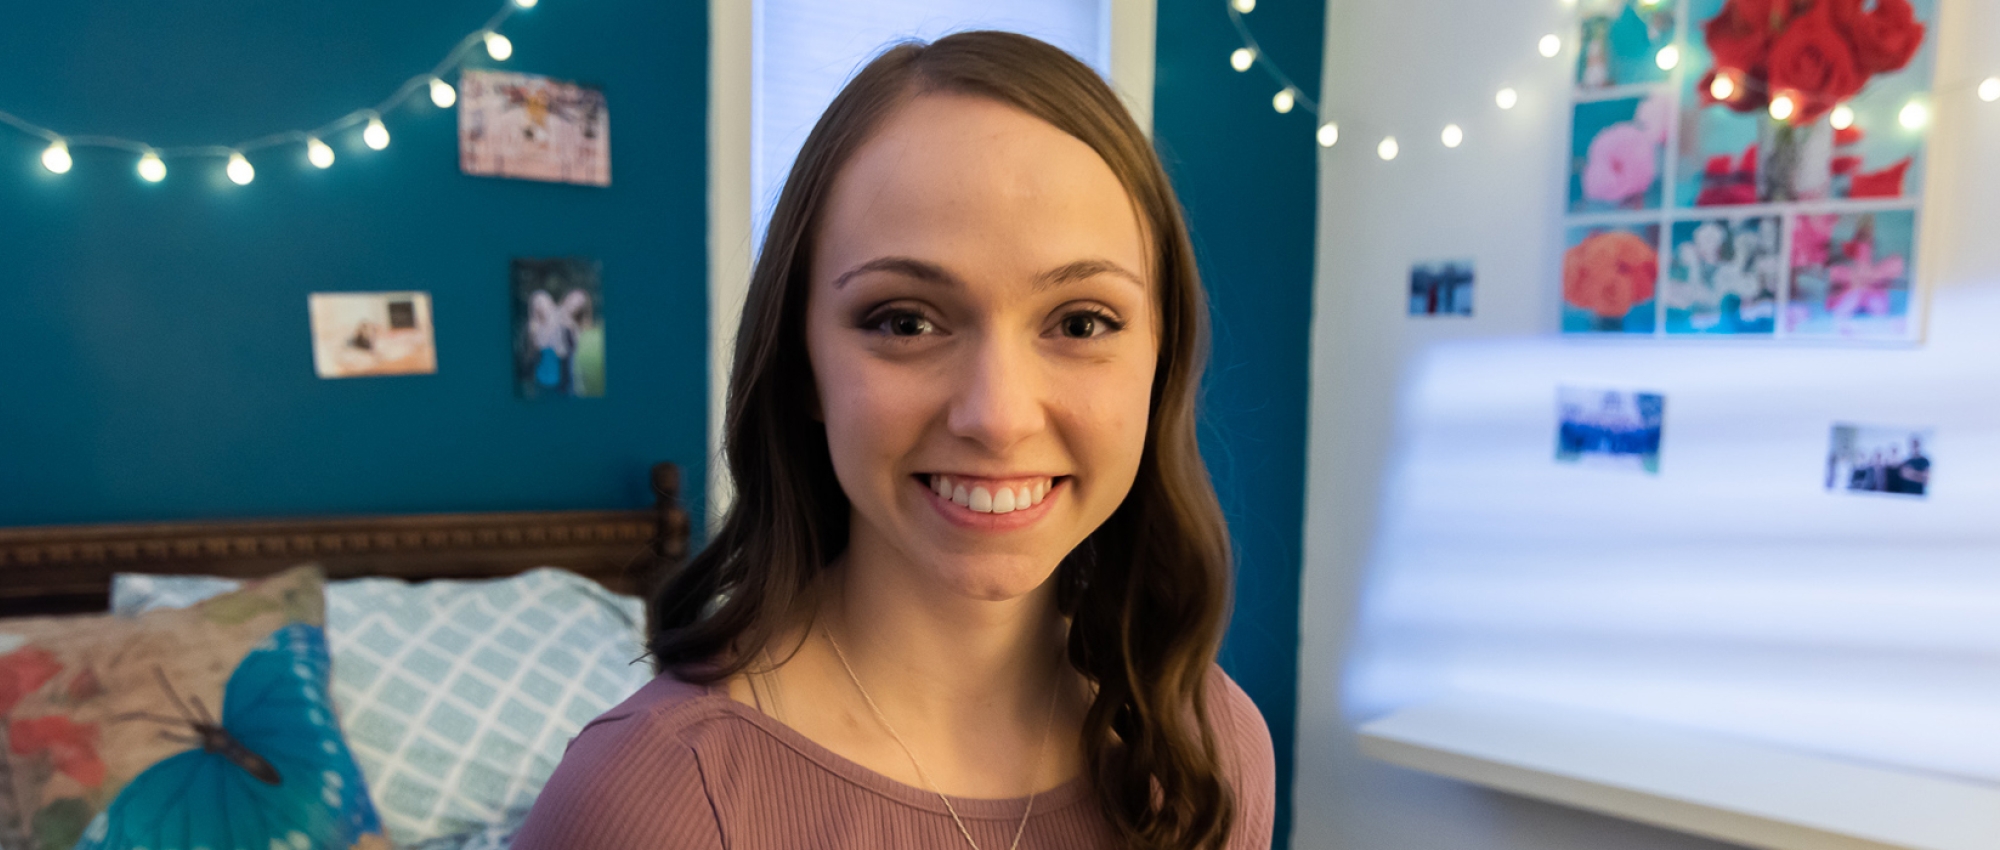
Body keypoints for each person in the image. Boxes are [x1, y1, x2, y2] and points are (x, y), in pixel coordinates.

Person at [515, 31, 1274, 850]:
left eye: (1081, 322)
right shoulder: (649, 798)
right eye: (905, 321)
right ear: (802, 361)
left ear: (1159, 360)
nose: (999, 415)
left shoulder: (1211, 752)